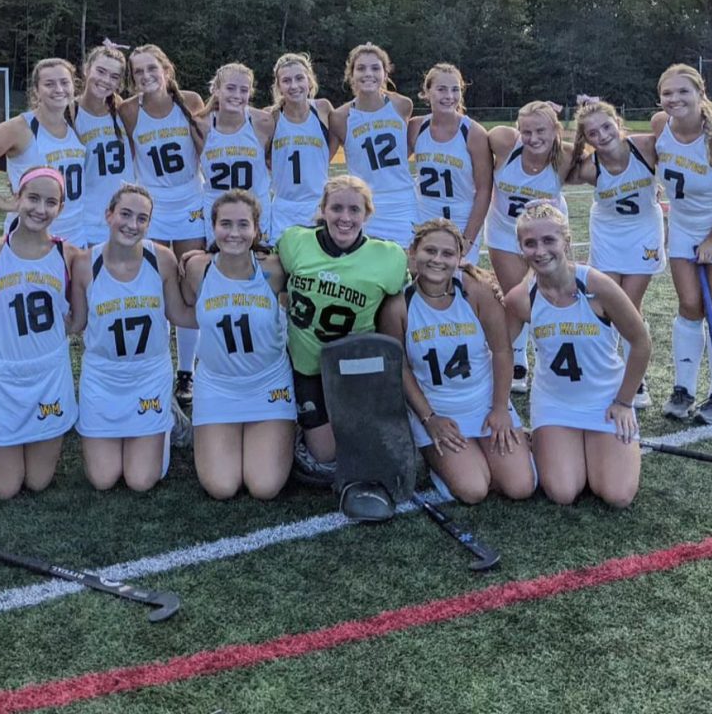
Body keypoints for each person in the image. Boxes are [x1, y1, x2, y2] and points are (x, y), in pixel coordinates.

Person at [505, 203, 650, 507]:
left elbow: (640, 342)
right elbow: (499, 351)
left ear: (566, 242)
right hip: (556, 402)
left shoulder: (597, 286)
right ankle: (549, 439)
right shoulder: (521, 299)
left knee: (617, 495)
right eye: (530, 243)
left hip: (606, 399)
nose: (540, 250)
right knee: (562, 492)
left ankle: (588, 446)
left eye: (549, 240)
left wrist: (624, 402)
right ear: (521, 249)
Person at [380, 219, 535, 504]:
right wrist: (429, 419)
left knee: (520, 487)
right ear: (413, 252)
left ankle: (506, 442)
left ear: (459, 258)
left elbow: (501, 350)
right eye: (430, 251)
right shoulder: (398, 305)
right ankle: (442, 462)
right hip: (439, 410)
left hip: (485, 402)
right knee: (473, 490)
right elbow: (399, 368)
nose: (438, 260)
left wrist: (500, 408)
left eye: (447, 254)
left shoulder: (475, 291)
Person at [276, 175, 409, 476]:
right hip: (306, 366)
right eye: (336, 208)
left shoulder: (388, 257)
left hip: (354, 368)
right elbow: (266, 271)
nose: (345, 218)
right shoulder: (295, 241)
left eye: (354, 210)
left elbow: (411, 295)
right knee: (325, 457)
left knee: (363, 448)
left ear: (367, 214)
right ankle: (297, 427)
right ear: (322, 209)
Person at [0, 167, 83, 498]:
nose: (40, 209)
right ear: (17, 198)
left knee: (38, 482)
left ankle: (1, 448)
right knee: (4, 489)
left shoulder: (70, 255)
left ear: (61, 208)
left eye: (51, 202)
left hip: (48, 375)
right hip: (0, 378)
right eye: (33, 198)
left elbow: (78, 320)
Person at [71, 184, 189, 491]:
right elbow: (78, 322)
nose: (132, 224)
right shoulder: (85, 264)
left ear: (149, 224)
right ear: (108, 215)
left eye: (142, 218)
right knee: (103, 479)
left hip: (148, 375)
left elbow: (178, 315)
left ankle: (166, 415)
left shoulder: (161, 259)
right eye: (125, 214)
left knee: (140, 481)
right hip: (102, 378)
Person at [651, 64, 712, 423]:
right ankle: (683, 389)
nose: (674, 99)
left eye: (683, 92)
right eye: (667, 93)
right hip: (684, 225)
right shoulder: (660, 124)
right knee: (689, 304)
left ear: (700, 93)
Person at [180, 191, 295, 499]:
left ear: (256, 228)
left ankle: (283, 433)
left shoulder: (275, 270)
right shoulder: (198, 270)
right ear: (213, 227)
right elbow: (188, 307)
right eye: (225, 224)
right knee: (221, 487)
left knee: (264, 487)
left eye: (243, 225)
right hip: (218, 385)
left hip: (268, 382)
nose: (233, 233)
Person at [119, 44, 205, 404]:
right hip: (151, 207)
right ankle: (153, 366)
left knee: (189, 284)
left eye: (152, 68)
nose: (146, 76)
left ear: (166, 69)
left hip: (189, 201)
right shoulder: (128, 110)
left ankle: (187, 371)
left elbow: (204, 148)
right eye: (138, 72)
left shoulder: (189, 100)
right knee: (153, 286)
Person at [566, 98, 664, 408]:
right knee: (604, 304)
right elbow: (561, 173)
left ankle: (635, 379)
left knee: (631, 305)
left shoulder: (645, 148)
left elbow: (672, 137)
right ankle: (604, 370)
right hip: (608, 236)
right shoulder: (589, 168)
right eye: (592, 133)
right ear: (587, 138)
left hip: (644, 233)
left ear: (618, 124)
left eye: (607, 126)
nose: (602, 135)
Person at [485, 101, 571, 391]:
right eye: (526, 131)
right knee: (516, 297)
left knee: (552, 294)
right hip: (504, 231)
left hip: (545, 234)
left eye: (541, 130)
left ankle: (553, 358)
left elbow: (610, 166)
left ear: (556, 129)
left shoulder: (567, 156)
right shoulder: (503, 140)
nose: (533, 138)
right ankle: (518, 362)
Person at [0, 57, 86, 245]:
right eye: (49, 84)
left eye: (64, 82)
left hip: (75, 236)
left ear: (74, 86)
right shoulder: (19, 127)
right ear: (36, 91)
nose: (58, 89)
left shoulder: (75, 122)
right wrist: (4, 203)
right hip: (28, 239)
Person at [329, 43, 416, 247]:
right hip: (364, 204)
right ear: (351, 75)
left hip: (403, 202)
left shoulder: (402, 105)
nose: (368, 74)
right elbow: (321, 158)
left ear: (386, 74)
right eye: (361, 68)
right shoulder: (340, 117)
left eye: (375, 68)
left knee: (407, 267)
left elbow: (407, 147)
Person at [408, 63, 492, 264]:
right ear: (427, 92)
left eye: (455, 89)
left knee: (461, 283)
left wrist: (468, 238)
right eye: (441, 89)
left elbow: (484, 190)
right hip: (423, 216)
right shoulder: (415, 127)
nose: (449, 96)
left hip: (461, 219)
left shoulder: (473, 132)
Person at [197, 62, 273, 246]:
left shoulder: (263, 122)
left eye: (243, 90)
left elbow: (270, 161)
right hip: (217, 212)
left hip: (256, 211)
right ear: (216, 89)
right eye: (230, 88)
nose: (237, 96)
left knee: (260, 267)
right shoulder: (201, 125)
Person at [267, 52, 335, 243]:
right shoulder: (271, 117)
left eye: (299, 78)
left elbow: (335, 140)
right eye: (286, 81)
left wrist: (319, 161)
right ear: (279, 86)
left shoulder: (323, 109)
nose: (294, 86)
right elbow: (263, 155)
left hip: (318, 205)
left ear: (310, 81)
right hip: (283, 206)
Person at [75, 41, 136, 247]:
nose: (105, 80)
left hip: (127, 220)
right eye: (100, 71)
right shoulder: (68, 113)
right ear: (86, 70)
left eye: (114, 76)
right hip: (87, 222)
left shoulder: (123, 111)